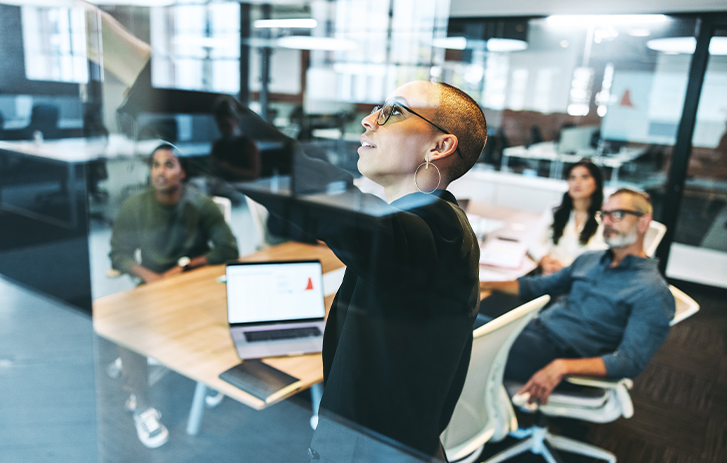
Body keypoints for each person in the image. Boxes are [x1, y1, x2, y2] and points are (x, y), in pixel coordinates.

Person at [280, 81, 487, 462]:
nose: (368, 119)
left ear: (439, 147)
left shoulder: (437, 230)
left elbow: (326, 200)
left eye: (393, 111)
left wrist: (218, 132)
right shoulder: (432, 225)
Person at [480, 189, 675, 405]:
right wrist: (482, 283)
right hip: (534, 331)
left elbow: (629, 362)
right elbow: (537, 286)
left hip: (563, 355)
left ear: (643, 223)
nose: (607, 222)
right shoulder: (590, 259)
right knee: (458, 318)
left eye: (618, 215)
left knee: (460, 335)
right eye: (605, 214)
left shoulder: (652, 291)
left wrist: (562, 366)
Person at [109, 144, 239, 448]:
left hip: (194, 284)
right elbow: (119, 254)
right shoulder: (135, 205)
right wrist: (152, 278)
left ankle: (209, 373)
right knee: (124, 323)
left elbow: (228, 249)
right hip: (152, 285)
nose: (160, 171)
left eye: (169, 164)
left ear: (182, 171)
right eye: (155, 165)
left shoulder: (201, 204)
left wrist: (185, 265)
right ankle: (141, 404)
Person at [529, 159, 607, 276]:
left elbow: (604, 257)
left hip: (582, 280)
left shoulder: (604, 218)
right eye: (572, 177)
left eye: (584, 177)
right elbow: (533, 241)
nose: (577, 182)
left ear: (597, 183)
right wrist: (544, 259)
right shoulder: (555, 211)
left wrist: (568, 270)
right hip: (551, 275)